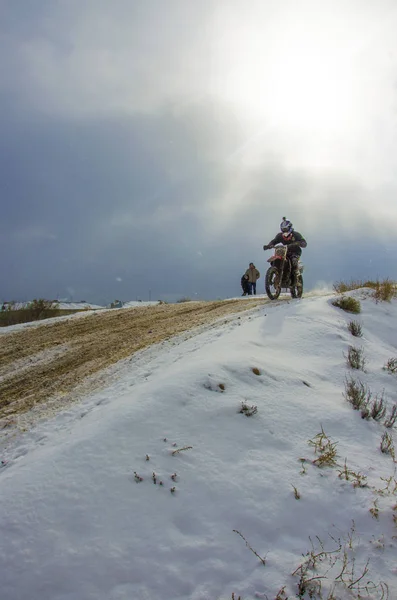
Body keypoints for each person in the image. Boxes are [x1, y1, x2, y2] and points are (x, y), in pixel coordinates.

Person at [263, 218, 307, 284]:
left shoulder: (296, 235)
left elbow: (304, 242)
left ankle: (295, 279)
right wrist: (269, 245)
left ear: (290, 228)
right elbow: (274, 241)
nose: (284, 231)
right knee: (275, 260)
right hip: (283, 252)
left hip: (295, 252)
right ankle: (277, 274)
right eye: (283, 229)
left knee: (293, 262)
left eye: (286, 229)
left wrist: (299, 243)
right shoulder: (280, 236)